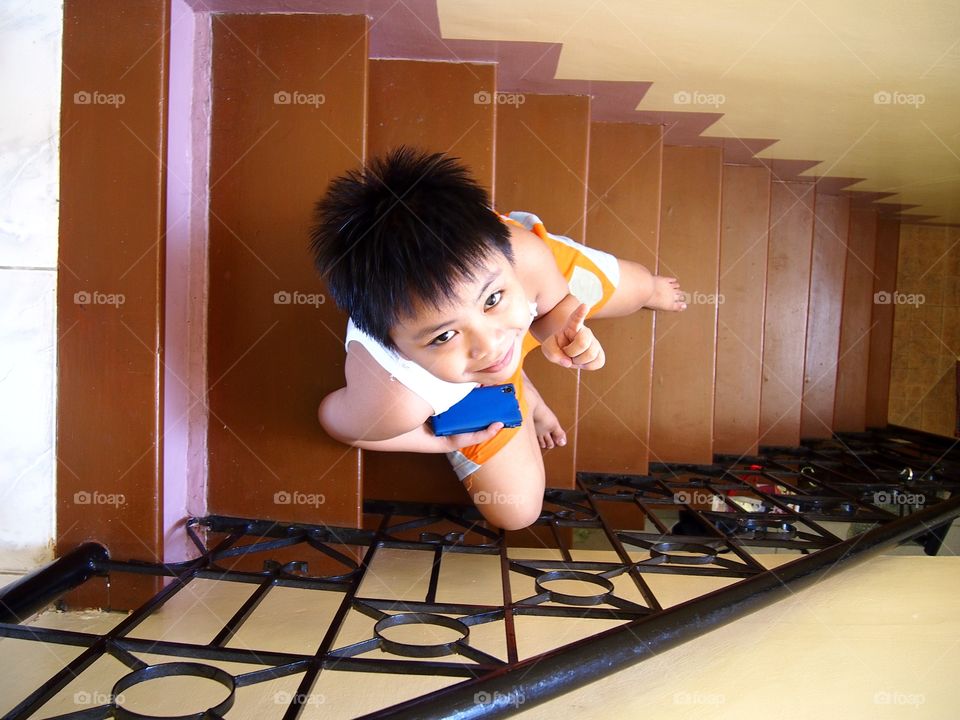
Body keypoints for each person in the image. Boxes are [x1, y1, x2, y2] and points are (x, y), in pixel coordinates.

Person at [310, 147, 686, 530]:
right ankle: (516, 377)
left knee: (637, 286)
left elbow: (554, 305)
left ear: (506, 255)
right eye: (444, 336)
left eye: (491, 300)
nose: (490, 344)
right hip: (460, 383)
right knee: (516, 512)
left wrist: (558, 330)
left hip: (517, 295)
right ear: (395, 346)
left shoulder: (525, 255)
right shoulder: (396, 398)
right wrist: (438, 442)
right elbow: (337, 422)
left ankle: (649, 290)